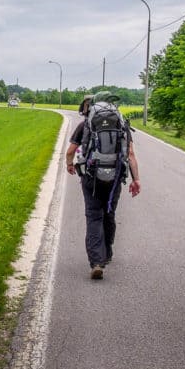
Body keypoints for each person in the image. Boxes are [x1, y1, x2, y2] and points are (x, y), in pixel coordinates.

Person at [65, 95, 141, 279]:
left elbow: (70, 152)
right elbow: (130, 154)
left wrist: (70, 164)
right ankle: (107, 253)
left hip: (91, 177)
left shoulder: (86, 125)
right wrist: (136, 179)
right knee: (109, 213)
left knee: (93, 215)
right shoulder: (121, 126)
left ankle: (97, 262)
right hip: (115, 177)